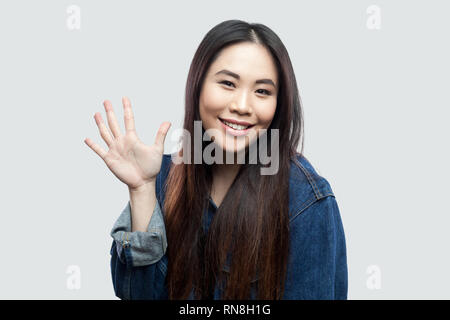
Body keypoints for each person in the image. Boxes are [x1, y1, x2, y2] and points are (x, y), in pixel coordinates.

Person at [84, 20, 348, 300]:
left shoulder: (306, 201)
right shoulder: (162, 177)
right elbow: (137, 295)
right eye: (227, 83)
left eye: (262, 91)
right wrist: (141, 191)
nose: (242, 106)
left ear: (278, 104)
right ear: (197, 86)